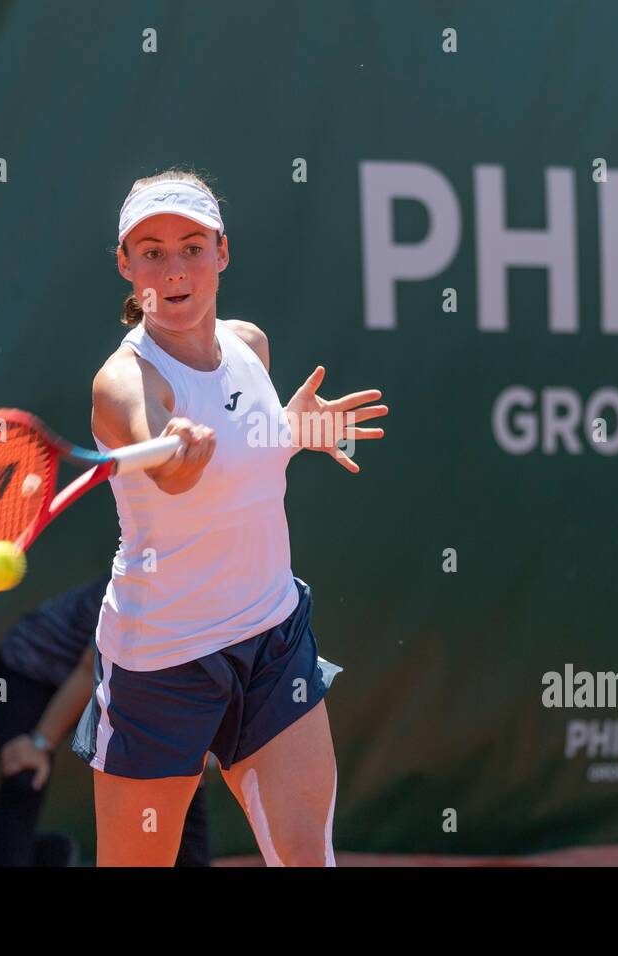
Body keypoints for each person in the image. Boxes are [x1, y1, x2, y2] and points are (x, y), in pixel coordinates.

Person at [71, 168, 388, 866]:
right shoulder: (125, 381)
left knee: (308, 857)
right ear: (126, 265)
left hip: (271, 637)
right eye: (151, 250)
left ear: (222, 252)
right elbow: (168, 464)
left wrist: (292, 432)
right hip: (160, 665)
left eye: (192, 245)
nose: (174, 268)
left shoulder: (251, 346)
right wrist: (173, 453)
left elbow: (250, 452)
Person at [0, 574, 211, 866]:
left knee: (183, 779)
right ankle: (45, 855)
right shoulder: (141, 592)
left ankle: (50, 855)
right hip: (27, 672)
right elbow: (89, 669)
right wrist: (40, 742)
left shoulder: (216, 600)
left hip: (111, 684)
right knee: (25, 778)